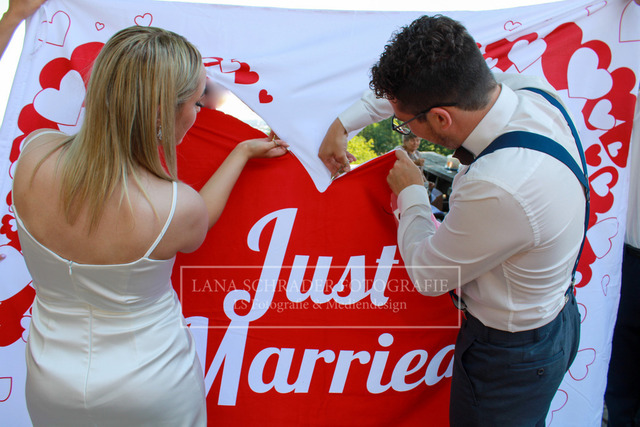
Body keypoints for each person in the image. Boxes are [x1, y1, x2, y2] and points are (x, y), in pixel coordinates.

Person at [12, 26, 287, 426]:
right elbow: (198, 216)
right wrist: (242, 153)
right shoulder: (175, 206)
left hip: (49, 379)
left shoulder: (34, 153)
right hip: (151, 384)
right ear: (162, 113)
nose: (199, 113)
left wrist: (242, 151)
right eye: (197, 102)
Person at [319, 15, 585, 426]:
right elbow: (422, 94)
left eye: (405, 124)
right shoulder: (529, 92)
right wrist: (343, 124)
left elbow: (429, 275)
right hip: (555, 318)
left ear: (441, 119)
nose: (404, 129)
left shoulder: (500, 184)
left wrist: (411, 192)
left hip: (508, 356)